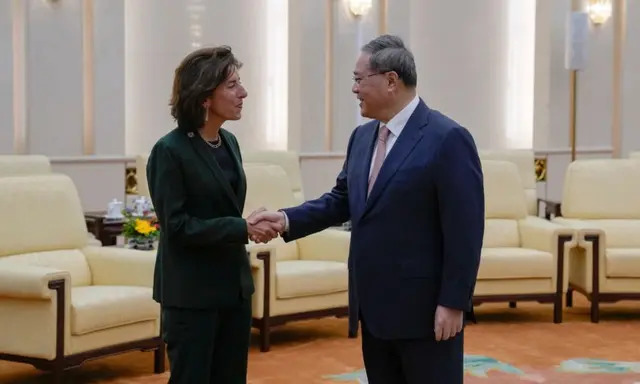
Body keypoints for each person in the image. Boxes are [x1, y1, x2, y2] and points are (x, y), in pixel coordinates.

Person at [249, 35, 484, 383]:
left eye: (359, 80)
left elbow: (465, 231)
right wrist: (286, 219)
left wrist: (453, 302)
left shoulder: (447, 138)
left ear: (391, 81)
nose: (355, 89)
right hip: (374, 311)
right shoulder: (362, 138)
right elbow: (340, 200)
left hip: (425, 314)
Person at [146, 46, 282, 384]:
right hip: (191, 295)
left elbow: (221, 210)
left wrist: (246, 224)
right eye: (233, 85)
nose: (243, 92)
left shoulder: (230, 142)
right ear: (206, 96)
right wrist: (240, 227)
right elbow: (177, 227)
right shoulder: (169, 151)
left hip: (233, 289)